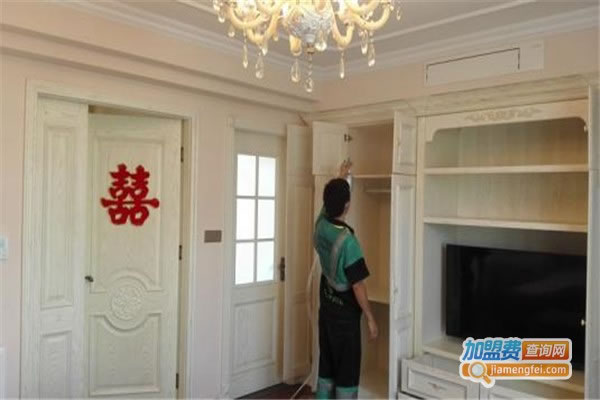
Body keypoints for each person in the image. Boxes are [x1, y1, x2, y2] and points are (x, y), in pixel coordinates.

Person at [314, 160, 378, 400]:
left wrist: (341, 176)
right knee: (347, 372)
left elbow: (327, 205)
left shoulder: (320, 225)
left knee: (327, 364)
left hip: (326, 311)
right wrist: (370, 318)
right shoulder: (348, 241)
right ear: (348, 206)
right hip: (345, 319)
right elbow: (358, 285)